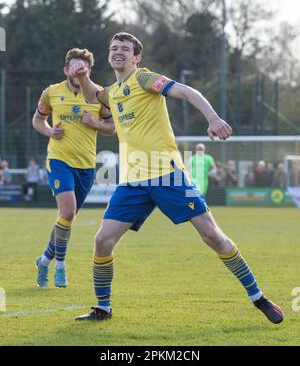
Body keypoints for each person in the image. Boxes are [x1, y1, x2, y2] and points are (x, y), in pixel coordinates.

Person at [71, 32, 283, 324]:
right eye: (113, 48)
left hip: (167, 174)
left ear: (136, 58)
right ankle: (102, 309)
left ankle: (258, 297)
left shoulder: (144, 80)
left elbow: (187, 92)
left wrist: (213, 118)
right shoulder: (115, 92)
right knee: (103, 241)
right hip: (132, 181)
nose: (118, 51)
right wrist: (82, 76)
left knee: (212, 236)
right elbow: (94, 94)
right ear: (109, 56)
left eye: (125, 49)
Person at [32, 48, 115, 288]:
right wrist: (49, 131)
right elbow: (38, 119)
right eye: (74, 67)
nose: (78, 71)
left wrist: (96, 123)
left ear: (88, 71)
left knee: (65, 219)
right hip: (59, 160)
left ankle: (44, 260)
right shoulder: (52, 92)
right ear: (66, 70)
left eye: (83, 68)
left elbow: (112, 128)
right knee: (67, 212)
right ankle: (60, 266)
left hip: (87, 165)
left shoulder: (99, 95)